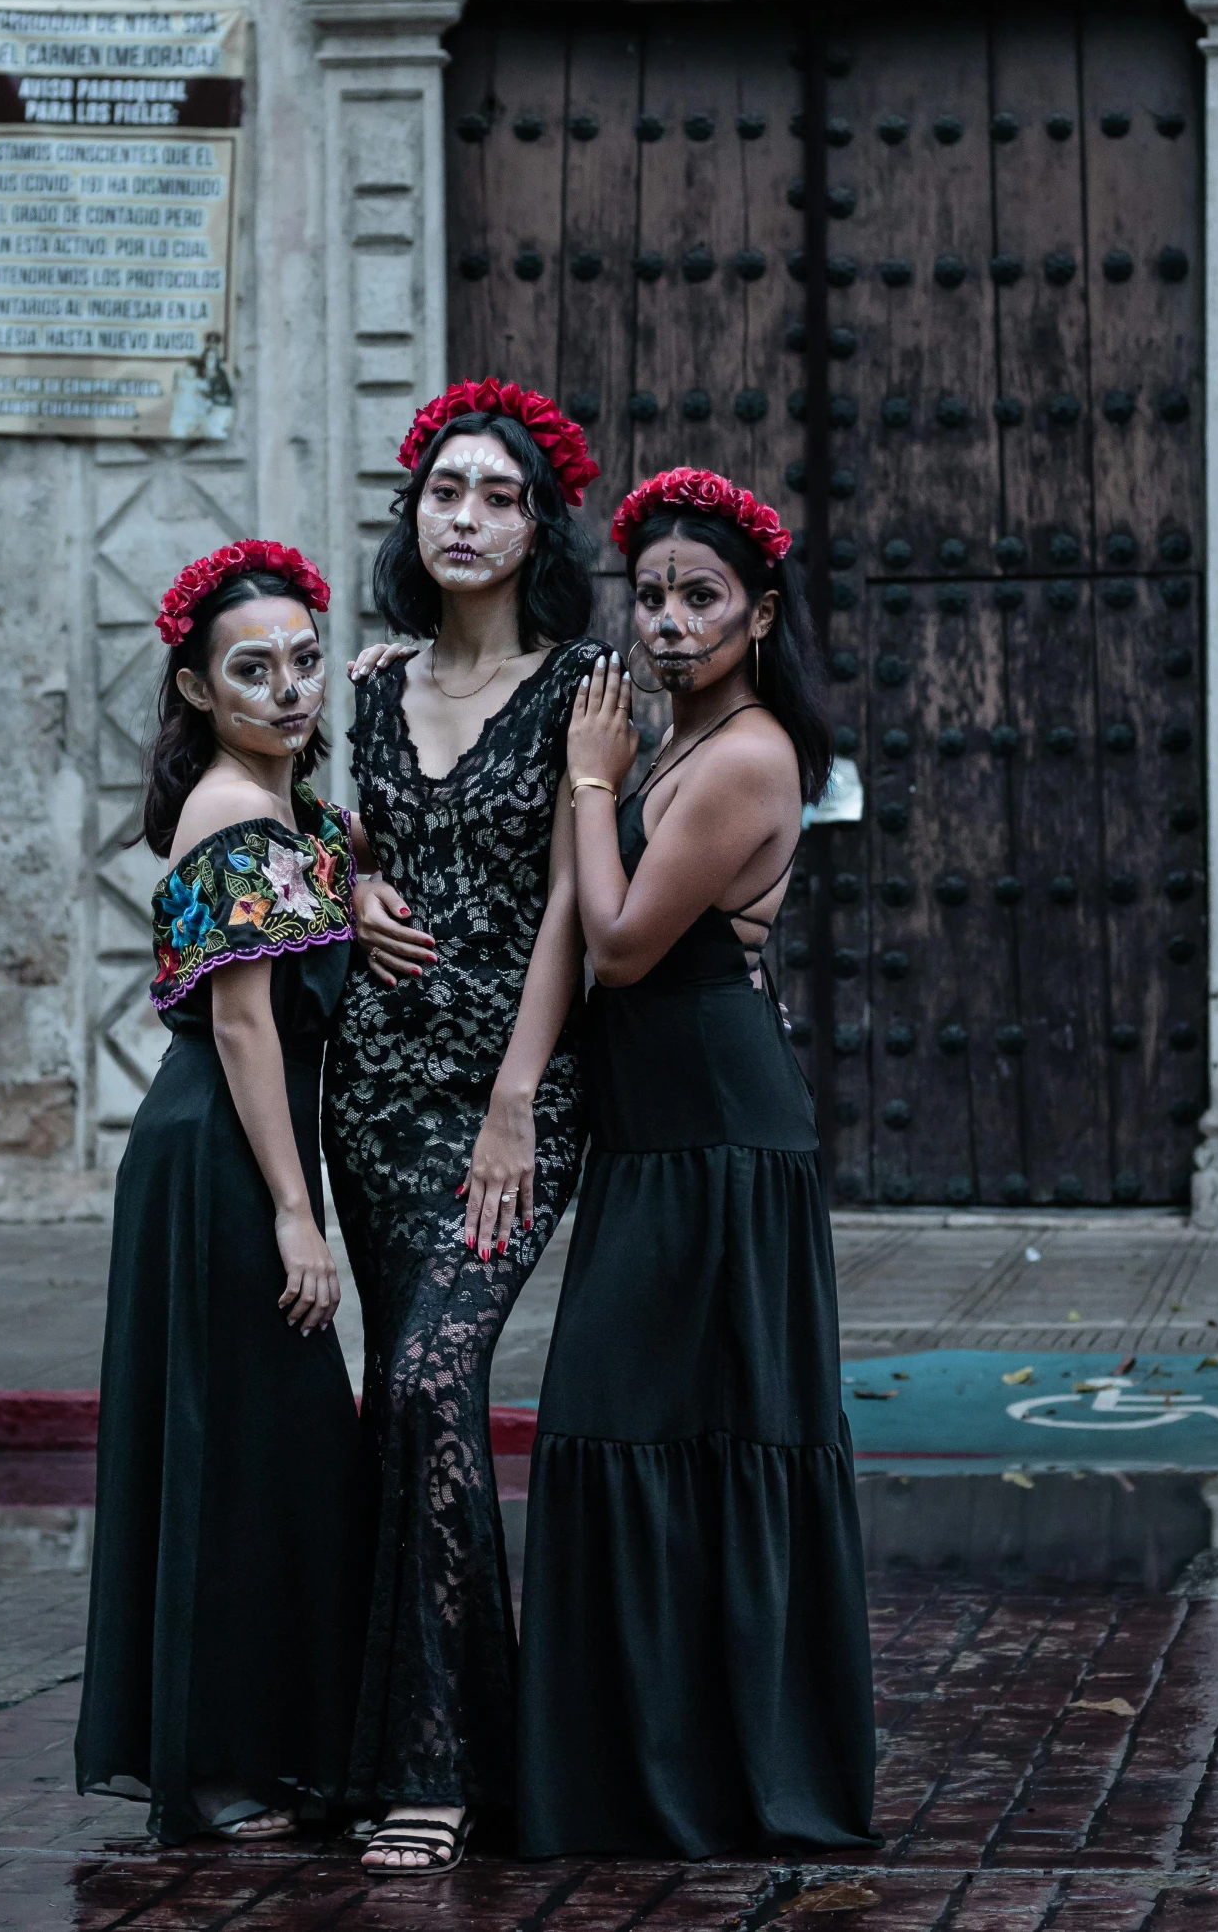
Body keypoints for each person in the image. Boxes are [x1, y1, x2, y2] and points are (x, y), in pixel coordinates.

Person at [518, 467, 878, 1860]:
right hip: (656, 1139)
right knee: (617, 1436)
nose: (668, 621)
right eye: (653, 595)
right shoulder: (678, 742)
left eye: (700, 597)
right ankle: (630, 1777)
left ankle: (720, 1782)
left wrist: (590, 780)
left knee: (699, 1447)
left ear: (760, 610)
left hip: (721, 1150)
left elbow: (617, 941)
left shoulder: (744, 755)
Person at [320, 378, 608, 1877]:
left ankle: (444, 1764)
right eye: (447, 490)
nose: (469, 515)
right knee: (398, 1403)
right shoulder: (368, 683)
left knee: (439, 1378)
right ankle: (407, 1742)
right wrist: (352, 890)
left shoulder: (585, 687)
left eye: (498, 495)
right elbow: (344, 841)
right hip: (370, 1089)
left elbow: (574, 896)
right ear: (413, 512)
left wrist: (514, 1097)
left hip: (513, 1095)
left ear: (537, 524)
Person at [75, 540, 366, 1846]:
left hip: (235, 1152)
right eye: (254, 669)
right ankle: (213, 1768)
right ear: (196, 689)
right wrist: (298, 1216)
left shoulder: (293, 809)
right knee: (238, 1450)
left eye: (306, 659)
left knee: (276, 1446)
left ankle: (263, 1746)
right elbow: (247, 1030)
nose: (291, 686)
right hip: (218, 1158)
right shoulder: (230, 812)